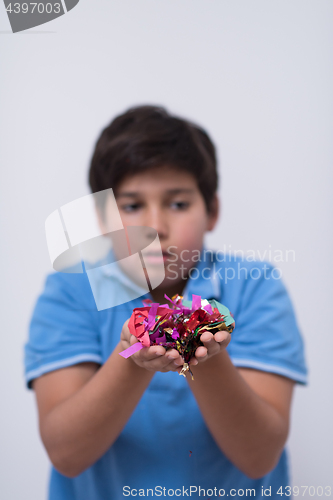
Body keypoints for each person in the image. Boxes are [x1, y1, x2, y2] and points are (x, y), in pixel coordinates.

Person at [24, 105, 308, 499]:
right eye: (132, 205)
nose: (154, 226)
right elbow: (66, 453)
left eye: (177, 203)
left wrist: (204, 350)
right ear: (102, 220)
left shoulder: (255, 287)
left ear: (212, 211)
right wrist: (132, 357)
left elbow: (259, 457)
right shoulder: (71, 292)